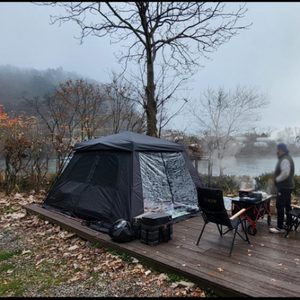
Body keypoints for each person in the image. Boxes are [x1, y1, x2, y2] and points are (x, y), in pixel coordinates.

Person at [269, 142, 295, 234]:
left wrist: (277, 180)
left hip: (284, 186)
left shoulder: (285, 159)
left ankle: (279, 227)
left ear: (281, 149)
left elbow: (285, 173)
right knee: (287, 205)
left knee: (280, 206)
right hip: (288, 187)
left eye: (278, 149)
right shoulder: (286, 158)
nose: (276, 150)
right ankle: (289, 223)